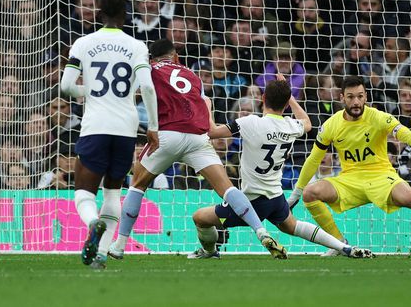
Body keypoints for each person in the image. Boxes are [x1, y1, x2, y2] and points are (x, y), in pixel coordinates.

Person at [109, 38, 286, 260]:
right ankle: (261, 232)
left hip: (167, 134)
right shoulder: (193, 75)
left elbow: (138, 89)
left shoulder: (150, 69)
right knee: (228, 189)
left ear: (152, 58)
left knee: (137, 185)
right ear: (175, 56)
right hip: (197, 137)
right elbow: (204, 103)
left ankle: (119, 245)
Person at [188, 75, 373, 259]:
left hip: (250, 201)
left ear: (263, 99)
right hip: (276, 197)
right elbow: (308, 123)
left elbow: (212, 132)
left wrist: (207, 105)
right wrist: (290, 97)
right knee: (292, 226)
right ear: (286, 104)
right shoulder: (291, 126)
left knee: (200, 218)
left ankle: (210, 252)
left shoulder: (250, 122)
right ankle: (343, 246)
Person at [287, 76, 411, 256]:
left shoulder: (379, 117)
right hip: (349, 180)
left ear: (366, 96)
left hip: (381, 176)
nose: (356, 102)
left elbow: (408, 136)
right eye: (351, 97)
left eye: (360, 96)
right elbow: (313, 159)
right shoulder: (331, 125)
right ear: (342, 97)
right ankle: (338, 243)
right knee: (310, 193)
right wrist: (296, 193)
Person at [60, 0, 159, 270]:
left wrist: (88, 92)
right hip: (126, 127)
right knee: (113, 193)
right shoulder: (137, 45)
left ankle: (93, 223)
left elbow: (66, 87)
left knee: (83, 194)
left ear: (99, 14)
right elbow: (148, 87)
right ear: (125, 16)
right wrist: (153, 127)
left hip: (96, 125)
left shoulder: (83, 43)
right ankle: (101, 255)